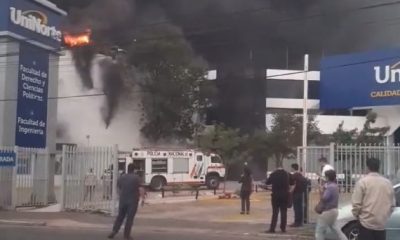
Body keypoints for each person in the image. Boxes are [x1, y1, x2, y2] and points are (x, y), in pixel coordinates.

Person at [352, 158, 395, 240]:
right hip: (381, 224)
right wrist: (384, 216)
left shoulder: (362, 182)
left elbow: (356, 204)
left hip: (365, 223)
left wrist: (357, 216)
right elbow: (392, 205)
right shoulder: (388, 183)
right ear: (379, 167)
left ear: (367, 167)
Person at [108, 164, 145, 240]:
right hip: (132, 201)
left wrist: (120, 196)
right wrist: (143, 199)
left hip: (123, 200)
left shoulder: (122, 177)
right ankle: (126, 235)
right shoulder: (137, 178)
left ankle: (114, 231)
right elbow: (141, 189)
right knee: (129, 218)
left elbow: (118, 188)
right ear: (134, 170)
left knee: (120, 217)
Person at [315, 170, 347, 240]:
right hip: (334, 210)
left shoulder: (330, 187)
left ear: (327, 177)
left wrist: (321, 192)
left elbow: (324, 198)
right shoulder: (335, 186)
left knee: (319, 231)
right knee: (336, 229)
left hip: (327, 211)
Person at [265, 166, 294, 233]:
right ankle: (283, 228)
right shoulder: (287, 174)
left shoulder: (273, 174)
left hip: (275, 195)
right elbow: (292, 183)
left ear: (277, 168)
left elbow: (267, 182)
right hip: (284, 196)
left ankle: (272, 228)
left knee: (275, 213)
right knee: (284, 212)